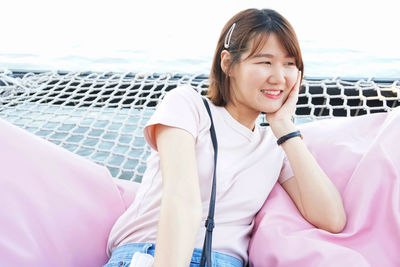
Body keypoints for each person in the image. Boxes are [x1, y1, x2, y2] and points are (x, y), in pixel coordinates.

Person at [104, 8, 346, 267]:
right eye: (265, 62)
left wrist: (284, 126)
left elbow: (331, 219)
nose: (279, 77)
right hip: (155, 254)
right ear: (228, 63)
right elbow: (182, 199)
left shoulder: (276, 144)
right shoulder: (189, 106)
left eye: (289, 64)